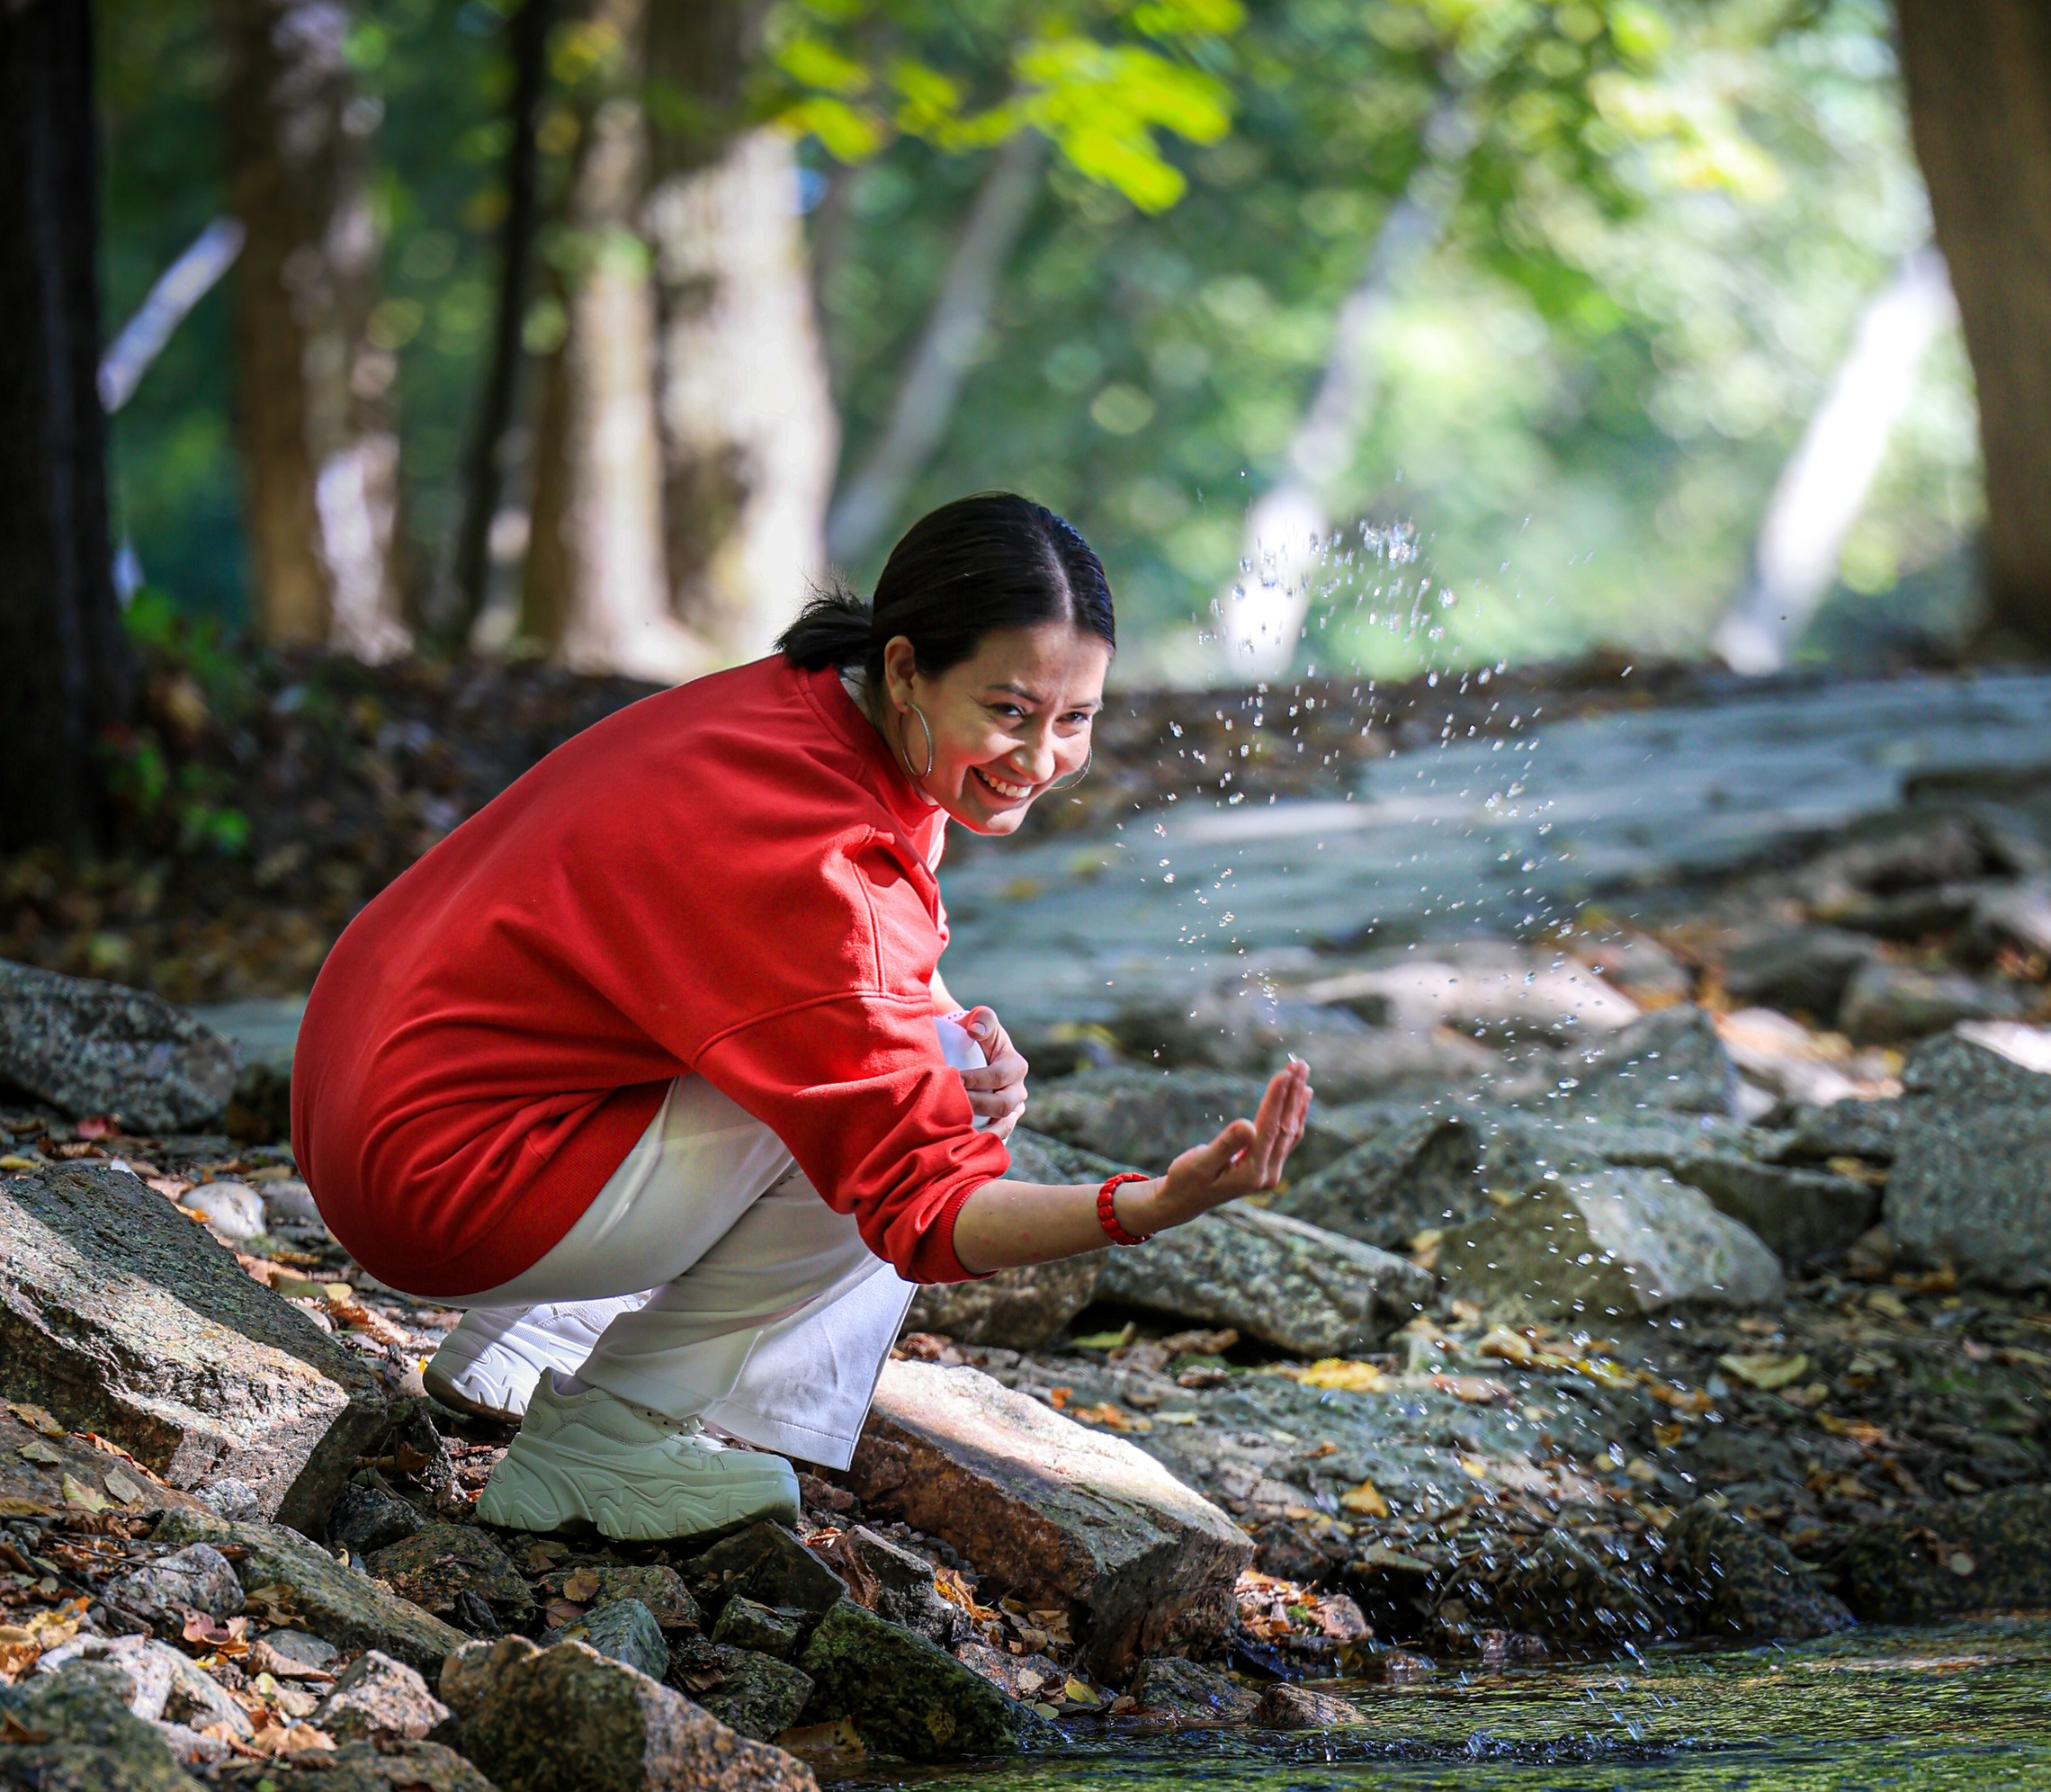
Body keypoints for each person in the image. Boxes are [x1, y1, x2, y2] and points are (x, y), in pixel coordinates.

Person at [291, 493, 1312, 1546]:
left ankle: (531, 1343)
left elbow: (807, 966)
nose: (1041, 758)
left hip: (367, 1092)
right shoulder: (830, 860)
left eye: (1076, 718)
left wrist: (932, 1023)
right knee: (931, 1100)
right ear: (909, 666)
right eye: (1009, 712)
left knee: (934, 1051)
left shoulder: (807, 702)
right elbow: (919, 1215)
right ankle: (611, 1434)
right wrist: (1140, 1206)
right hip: (438, 1183)